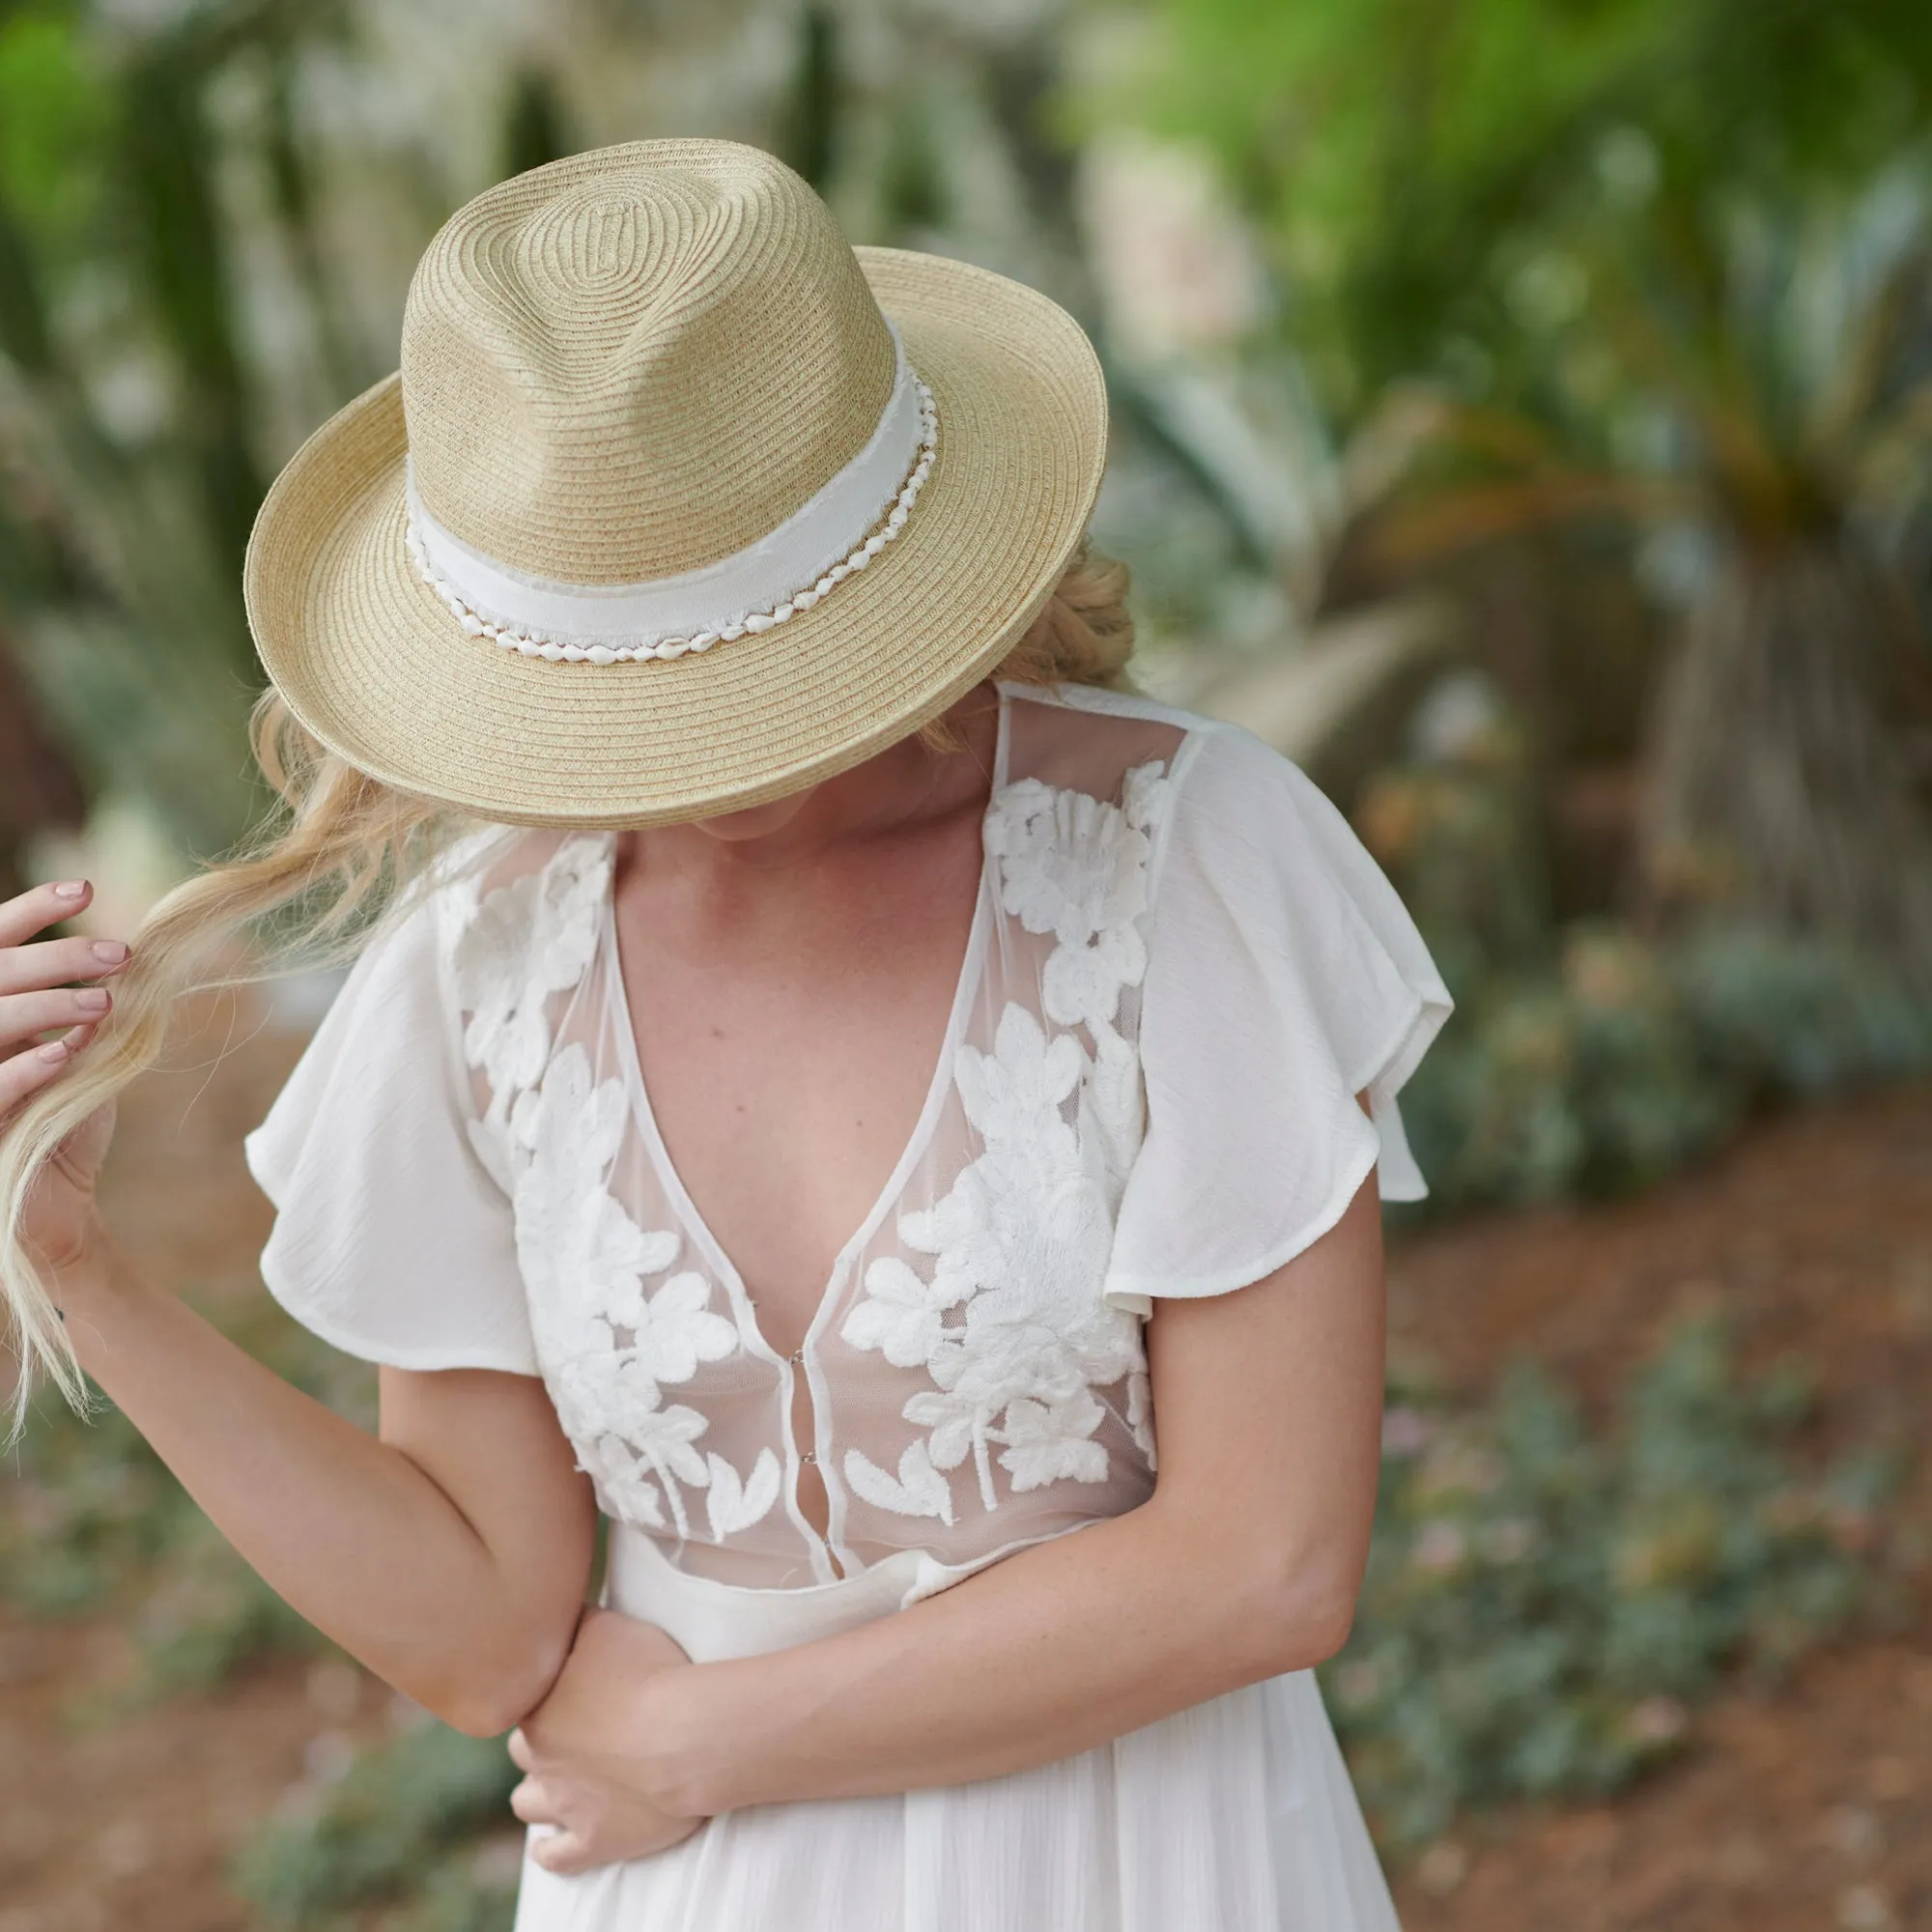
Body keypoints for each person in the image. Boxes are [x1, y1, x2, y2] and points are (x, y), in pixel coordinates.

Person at [0, 139, 1450, 1930]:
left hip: (1143, 1861)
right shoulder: (485, 959)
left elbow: (1269, 1563)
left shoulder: (1188, 859)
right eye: (628, 690)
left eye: (737, 679)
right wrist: (72, 1262)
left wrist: (704, 1745)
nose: (705, 772)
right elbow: (484, 1630)